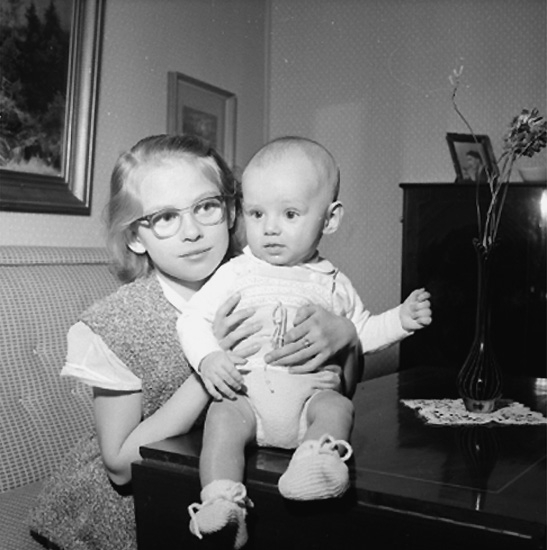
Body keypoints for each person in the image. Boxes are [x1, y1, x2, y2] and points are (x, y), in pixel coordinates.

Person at [28, 134, 357, 550]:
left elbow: (339, 391)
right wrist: (209, 367)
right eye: (165, 217)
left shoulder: (272, 279)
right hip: (127, 517)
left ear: (231, 211)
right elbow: (119, 467)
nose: (192, 231)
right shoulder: (116, 324)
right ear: (135, 236)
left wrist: (348, 338)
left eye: (206, 207)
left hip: (237, 484)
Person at [178, 136, 432, 548]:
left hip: (308, 403)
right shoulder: (236, 272)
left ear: (329, 219)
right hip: (247, 401)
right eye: (256, 213)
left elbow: (360, 331)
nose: (270, 228)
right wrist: (207, 358)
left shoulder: (333, 283)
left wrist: (400, 320)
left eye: (290, 213)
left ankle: (316, 464)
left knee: (337, 407)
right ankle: (223, 504)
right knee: (220, 420)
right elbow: (192, 319)